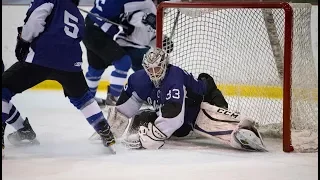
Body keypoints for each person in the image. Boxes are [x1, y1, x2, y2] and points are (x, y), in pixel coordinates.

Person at [2, 0, 116, 158]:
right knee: (83, 99)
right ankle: (105, 131)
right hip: (71, 63)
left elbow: (36, 20)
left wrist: (24, 40)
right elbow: (78, 35)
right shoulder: (76, 13)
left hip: (42, 57)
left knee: (3, 88)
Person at [104, 47, 267, 151]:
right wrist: (110, 128)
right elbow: (124, 109)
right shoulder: (137, 80)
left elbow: (174, 116)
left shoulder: (174, 78)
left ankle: (241, 127)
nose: (154, 72)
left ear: (165, 64)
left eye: (158, 67)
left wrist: (149, 140)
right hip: (181, 117)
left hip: (200, 103)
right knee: (143, 119)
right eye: (150, 69)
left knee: (212, 120)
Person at [82, 0, 173, 106]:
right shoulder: (148, 5)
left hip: (98, 31)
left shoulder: (153, 12)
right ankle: (113, 97)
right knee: (123, 63)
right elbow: (134, 16)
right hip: (113, 38)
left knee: (96, 67)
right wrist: (145, 18)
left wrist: (162, 42)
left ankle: (88, 100)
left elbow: (149, 35)